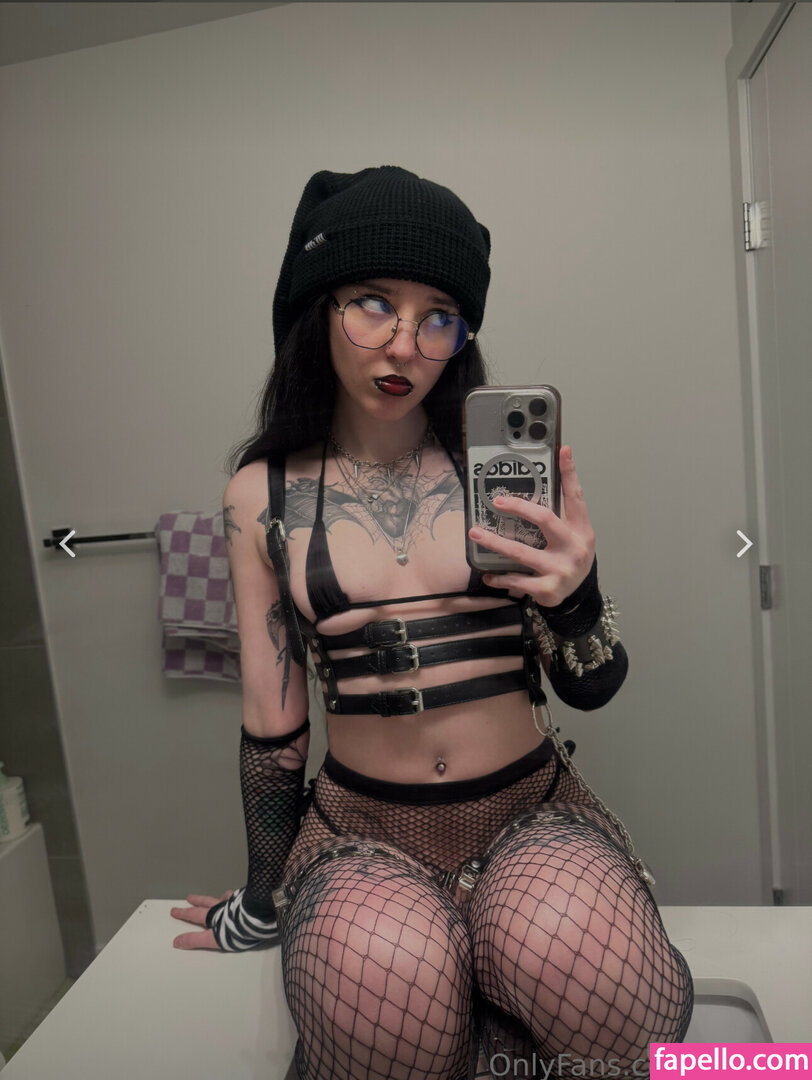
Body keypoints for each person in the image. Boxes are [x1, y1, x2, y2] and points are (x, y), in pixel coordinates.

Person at [171, 166, 693, 1079]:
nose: (405, 344)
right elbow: (273, 725)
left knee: (595, 985)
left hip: (527, 811)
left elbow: (592, 686)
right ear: (320, 309)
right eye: (374, 304)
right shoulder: (263, 495)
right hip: (363, 831)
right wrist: (260, 898)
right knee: (385, 997)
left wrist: (577, 594)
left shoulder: (501, 471)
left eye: (439, 317)